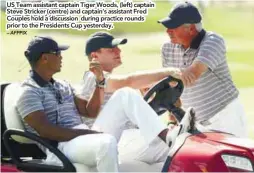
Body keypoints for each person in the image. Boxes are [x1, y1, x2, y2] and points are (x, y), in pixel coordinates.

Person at [16, 36, 194, 172]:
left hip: (82, 137)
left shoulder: (62, 85)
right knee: (105, 142)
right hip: (61, 147)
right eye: (57, 53)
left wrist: (100, 81)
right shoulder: (28, 93)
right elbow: (47, 131)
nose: (61, 57)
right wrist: (86, 133)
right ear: (44, 58)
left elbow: (90, 111)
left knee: (126, 95)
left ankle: (167, 136)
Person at [79, 32, 194, 164]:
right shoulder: (92, 77)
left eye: (118, 48)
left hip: (125, 140)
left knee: (183, 145)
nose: (118, 51)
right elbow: (129, 81)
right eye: (112, 49)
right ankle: (167, 135)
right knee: (126, 94)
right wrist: (169, 72)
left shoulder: (112, 84)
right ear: (94, 56)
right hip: (102, 141)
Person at [157, 1, 247, 137]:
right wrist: (171, 120)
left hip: (225, 116)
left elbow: (192, 74)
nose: (167, 31)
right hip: (194, 122)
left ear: (191, 29)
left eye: (172, 27)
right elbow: (172, 89)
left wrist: (160, 79)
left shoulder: (213, 41)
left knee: (237, 158)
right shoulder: (167, 48)